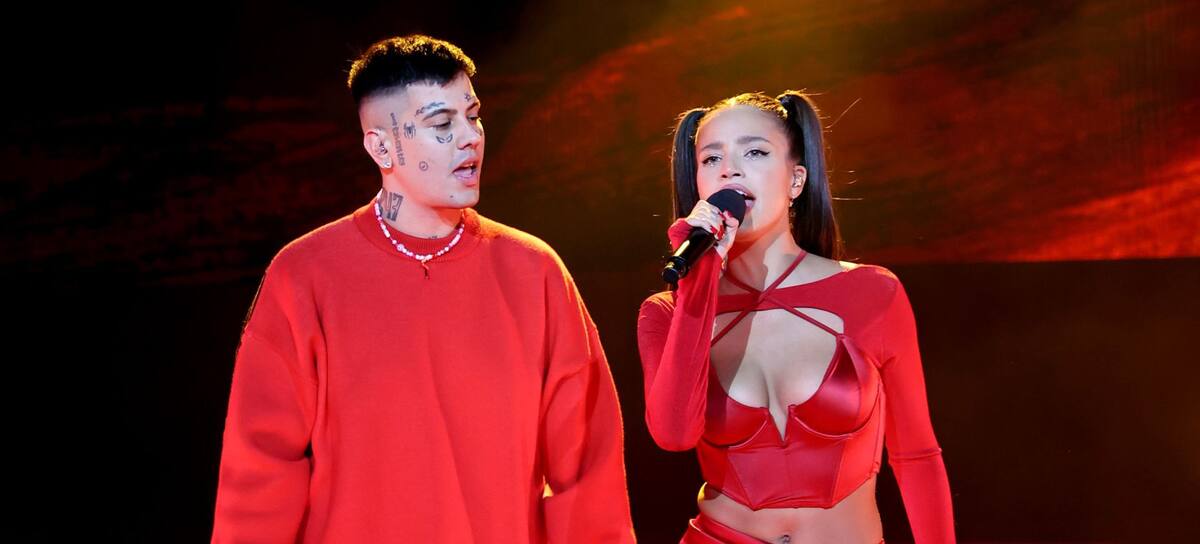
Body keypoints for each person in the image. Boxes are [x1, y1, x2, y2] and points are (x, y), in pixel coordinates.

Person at [212, 35, 635, 543]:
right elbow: (261, 468)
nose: (470, 138)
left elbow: (587, 466)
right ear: (381, 147)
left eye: (473, 116)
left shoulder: (534, 271)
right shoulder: (304, 275)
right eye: (441, 124)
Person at [636, 91, 954, 543]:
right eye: (711, 159)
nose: (730, 170)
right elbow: (674, 435)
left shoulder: (871, 293)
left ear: (796, 180)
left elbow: (916, 454)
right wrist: (698, 281)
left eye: (754, 152)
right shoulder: (666, 313)